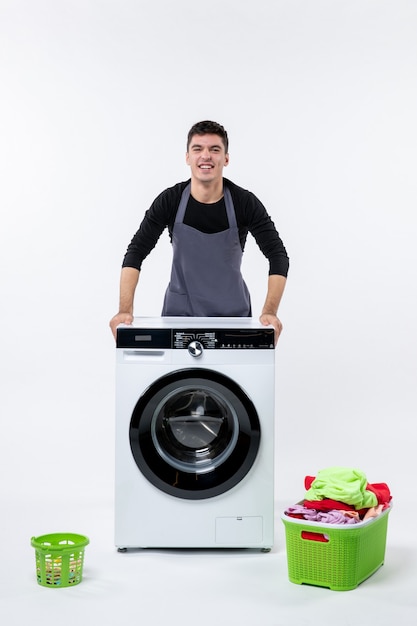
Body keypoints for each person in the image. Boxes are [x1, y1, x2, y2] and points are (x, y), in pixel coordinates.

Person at [110, 120, 289, 343]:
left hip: (233, 320)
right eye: (198, 149)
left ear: (226, 158)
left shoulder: (245, 203)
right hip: (179, 318)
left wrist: (270, 311)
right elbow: (136, 251)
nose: (206, 156)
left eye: (215, 149)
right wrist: (124, 310)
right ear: (187, 157)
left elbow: (278, 256)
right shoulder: (171, 200)